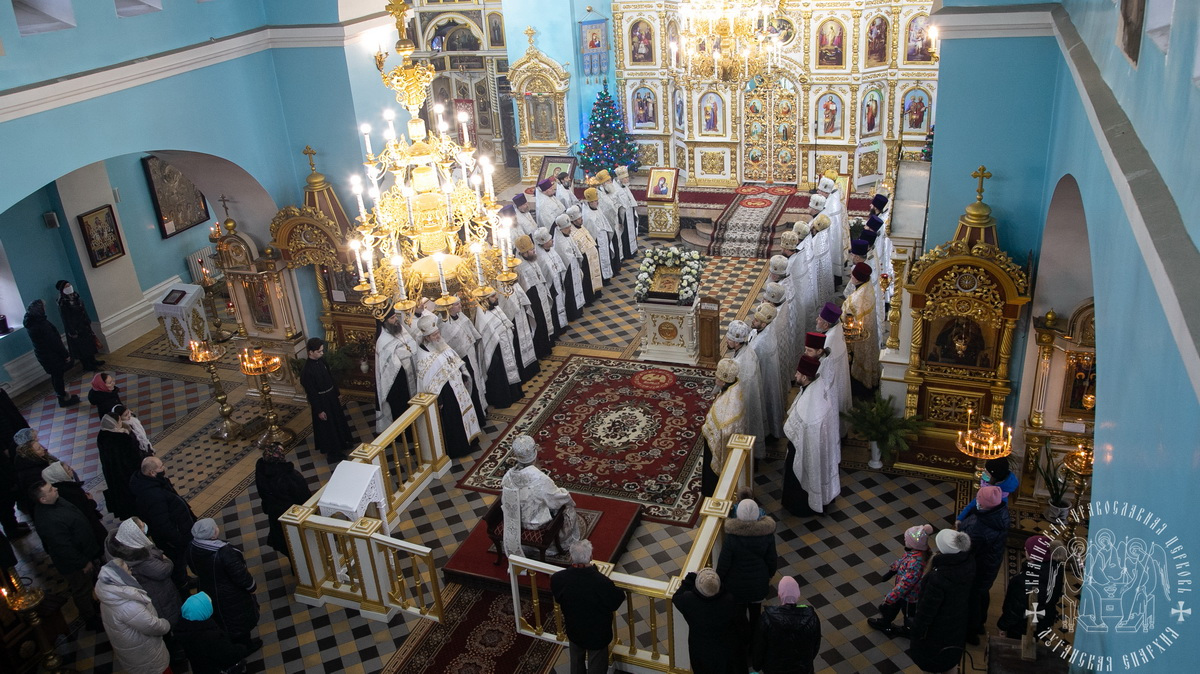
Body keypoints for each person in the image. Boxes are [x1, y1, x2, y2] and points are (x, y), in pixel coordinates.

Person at [30, 479, 103, 629]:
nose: (55, 489)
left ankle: (94, 604)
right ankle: (90, 618)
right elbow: (63, 548)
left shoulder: (56, 502)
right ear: (43, 499)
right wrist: (83, 562)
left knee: (89, 584)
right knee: (82, 590)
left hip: (84, 553)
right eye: (50, 490)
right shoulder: (48, 521)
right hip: (75, 564)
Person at [413, 314, 483, 458]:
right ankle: (459, 449)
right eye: (434, 335)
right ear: (427, 337)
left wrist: (463, 375)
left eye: (438, 333)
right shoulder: (424, 357)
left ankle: (471, 441)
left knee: (465, 414)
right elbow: (427, 383)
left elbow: (454, 360)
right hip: (446, 395)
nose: (438, 336)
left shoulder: (442, 345)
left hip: (458, 387)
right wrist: (439, 400)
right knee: (454, 420)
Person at [499, 434, 581, 557]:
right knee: (568, 509)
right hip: (536, 525)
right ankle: (559, 545)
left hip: (516, 521)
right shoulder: (540, 478)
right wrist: (565, 495)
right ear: (535, 454)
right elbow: (558, 499)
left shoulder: (508, 476)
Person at [551, 539, 626, 674]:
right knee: (596, 667)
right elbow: (616, 600)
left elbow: (558, 597)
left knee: (576, 664)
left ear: (571, 557)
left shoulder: (558, 578)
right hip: (597, 634)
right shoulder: (601, 582)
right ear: (591, 557)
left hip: (574, 629)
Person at [908, 530, 975, 674]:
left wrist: (916, 632)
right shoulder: (968, 562)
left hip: (936, 633)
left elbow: (926, 611)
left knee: (931, 664)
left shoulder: (938, 578)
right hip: (957, 625)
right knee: (949, 662)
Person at [782, 355, 840, 516]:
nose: (795, 375)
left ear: (805, 377)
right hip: (806, 443)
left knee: (799, 479)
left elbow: (804, 424)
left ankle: (802, 507)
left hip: (805, 447)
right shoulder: (813, 386)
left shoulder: (812, 400)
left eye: (798, 373)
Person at [95, 555, 172, 674]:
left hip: (132, 654)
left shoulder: (108, 594)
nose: (131, 571)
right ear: (120, 577)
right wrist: (166, 624)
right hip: (147, 656)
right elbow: (151, 625)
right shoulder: (127, 603)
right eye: (128, 569)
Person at [187, 518, 259, 646]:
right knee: (237, 619)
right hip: (231, 593)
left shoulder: (192, 547)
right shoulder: (225, 552)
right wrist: (251, 586)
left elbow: (194, 570)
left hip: (207, 589)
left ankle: (233, 641)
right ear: (213, 533)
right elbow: (240, 575)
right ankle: (245, 646)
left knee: (222, 619)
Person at [130, 456, 197, 591]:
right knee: (177, 562)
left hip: (174, 533)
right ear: (152, 472)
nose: (164, 468)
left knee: (179, 562)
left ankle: (184, 579)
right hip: (172, 539)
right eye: (161, 467)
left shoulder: (150, 483)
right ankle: (182, 586)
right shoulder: (153, 495)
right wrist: (178, 539)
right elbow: (162, 523)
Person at [717, 498, 777, 641]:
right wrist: (768, 575)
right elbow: (772, 560)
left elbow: (724, 564)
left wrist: (720, 581)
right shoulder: (767, 535)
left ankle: (744, 641)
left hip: (736, 585)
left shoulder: (732, 537)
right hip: (758, 584)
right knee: (756, 614)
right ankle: (756, 640)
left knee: (739, 616)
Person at [959, 484, 1010, 644]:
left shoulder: (977, 528)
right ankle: (980, 623)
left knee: (972, 599)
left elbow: (966, 549)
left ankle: (971, 633)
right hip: (990, 564)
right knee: (982, 592)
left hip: (977, 567)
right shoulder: (1001, 512)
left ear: (983, 503)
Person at [869, 524, 934, 637]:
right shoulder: (916, 552)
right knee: (894, 607)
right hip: (904, 594)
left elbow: (905, 584)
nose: (904, 540)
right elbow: (902, 561)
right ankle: (885, 622)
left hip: (910, 596)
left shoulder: (916, 563)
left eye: (906, 539)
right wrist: (893, 570)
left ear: (914, 544)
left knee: (908, 614)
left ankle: (908, 630)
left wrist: (890, 598)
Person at [673, 568, 743, 674]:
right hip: (724, 650)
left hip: (700, 651)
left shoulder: (689, 601)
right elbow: (741, 624)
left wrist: (691, 578)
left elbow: (676, 597)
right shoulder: (728, 600)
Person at [174, 592, 262, 674]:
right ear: (203, 611)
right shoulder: (210, 636)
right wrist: (241, 649)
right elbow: (229, 654)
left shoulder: (185, 631)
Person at [997, 535, 1066, 639]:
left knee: (1015, 643)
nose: (1025, 549)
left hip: (1021, 625)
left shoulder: (1022, 582)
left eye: (1027, 549)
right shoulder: (1057, 569)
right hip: (1043, 621)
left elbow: (1013, 610)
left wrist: (1002, 626)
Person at [300, 337, 356, 461]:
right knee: (329, 427)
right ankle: (333, 452)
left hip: (331, 397)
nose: (322, 353)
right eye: (319, 351)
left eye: (322, 350)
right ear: (310, 352)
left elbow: (330, 377)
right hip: (322, 401)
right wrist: (319, 410)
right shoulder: (307, 372)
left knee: (338, 420)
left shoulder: (322, 361)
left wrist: (336, 393)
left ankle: (343, 442)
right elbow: (311, 393)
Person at [752, 576, 821, 674]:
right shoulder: (811, 618)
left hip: (774, 669)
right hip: (802, 669)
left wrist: (757, 665)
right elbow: (815, 646)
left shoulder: (767, 618)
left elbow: (760, 646)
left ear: (779, 595)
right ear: (798, 595)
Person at [255, 442, 312, 558]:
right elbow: (302, 495)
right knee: (299, 542)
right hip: (293, 513)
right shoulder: (289, 476)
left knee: (285, 542)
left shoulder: (261, 470)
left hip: (275, 513)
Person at [23, 299, 80, 407]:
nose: (45, 309)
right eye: (44, 307)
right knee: (58, 376)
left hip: (43, 354)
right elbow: (54, 342)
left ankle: (61, 395)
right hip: (51, 355)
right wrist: (65, 355)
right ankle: (63, 398)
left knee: (55, 376)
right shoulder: (41, 324)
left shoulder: (30, 322)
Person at [701, 359, 745, 496]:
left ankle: (712, 492)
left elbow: (726, 428)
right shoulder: (733, 387)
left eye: (717, 377)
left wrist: (712, 432)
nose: (715, 378)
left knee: (712, 478)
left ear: (723, 381)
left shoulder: (732, 401)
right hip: (715, 437)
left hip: (719, 442)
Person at [474, 287, 523, 409]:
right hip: (496, 351)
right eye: (493, 296)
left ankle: (514, 393)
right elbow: (487, 338)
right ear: (485, 300)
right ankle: (504, 399)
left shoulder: (495, 308)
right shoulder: (482, 316)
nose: (496, 298)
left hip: (505, 345)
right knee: (500, 375)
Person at [439, 295, 488, 409]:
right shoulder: (444, 323)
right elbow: (448, 345)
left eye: (459, 303)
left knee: (476, 378)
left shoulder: (461, 315)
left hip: (471, 354)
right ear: (449, 307)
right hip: (461, 359)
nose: (460, 306)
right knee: (470, 383)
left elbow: (472, 332)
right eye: (457, 304)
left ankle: (482, 407)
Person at [374, 304, 417, 434]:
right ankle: (405, 435)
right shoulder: (382, 341)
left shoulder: (400, 329)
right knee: (402, 409)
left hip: (410, 374)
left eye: (395, 316)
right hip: (397, 382)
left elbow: (411, 345)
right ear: (384, 321)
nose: (396, 319)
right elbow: (389, 368)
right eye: (392, 318)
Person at [41, 460, 106, 546]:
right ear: (61, 475)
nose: (71, 469)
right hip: (89, 527)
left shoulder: (63, 488)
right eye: (68, 469)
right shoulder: (69, 492)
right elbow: (84, 511)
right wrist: (91, 501)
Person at [98, 404, 145, 520]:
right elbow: (132, 456)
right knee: (132, 495)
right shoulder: (121, 438)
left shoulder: (101, 435)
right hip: (127, 472)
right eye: (119, 420)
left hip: (113, 473)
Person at [514, 234, 559, 354]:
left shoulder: (532, 259)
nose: (534, 251)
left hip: (541, 292)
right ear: (524, 252)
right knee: (539, 322)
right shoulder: (520, 267)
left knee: (545, 319)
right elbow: (525, 286)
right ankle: (541, 350)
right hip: (533, 299)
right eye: (531, 250)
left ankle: (549, 342)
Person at [726, 320, 764, 457]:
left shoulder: (739, 363)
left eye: (729, 339)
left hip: (742, 404)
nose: (726, 340)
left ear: (737, 343)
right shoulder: (748, 350)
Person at [748, 302, 785, 439]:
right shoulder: (766, 329)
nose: (753, 321)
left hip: (763, 376)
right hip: (766, 371)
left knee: (763, 401)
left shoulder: (761, 344)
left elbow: (751, 361)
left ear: (764, 324)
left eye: (756, 320)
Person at [842, 262, 881, 391]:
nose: (850, 277)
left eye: (853, 275)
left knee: (859, 357)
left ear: (858, 279)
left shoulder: (856, 300)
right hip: (870, 330)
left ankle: (861, 388)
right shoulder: (868, 286)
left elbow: (847, 316)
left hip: (860, 335)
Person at [814, 302, 851, 430]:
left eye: (819, 319)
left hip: (831, 383)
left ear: (826, 325)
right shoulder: (837, 328)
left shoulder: (828, 341)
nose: (816, 320)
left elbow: (821, 367)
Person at [56, 279, 104, 372]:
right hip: (76, 328)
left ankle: (93, 360)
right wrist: (72, 331)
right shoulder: (63, 302)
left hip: (84, 325)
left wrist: (87, 319)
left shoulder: (75, 296)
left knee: (89, 344)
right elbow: (66, 318)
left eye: (69, 285)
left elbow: (83, 309)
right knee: (82, 348)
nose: (69, 287)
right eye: (66, 286)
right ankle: (87, 365)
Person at [536, 226, 583, 321]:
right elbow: (545, 274)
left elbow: (560, 264)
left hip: (559, 281)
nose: (552, 240)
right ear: (544, 242)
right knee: (555, 306)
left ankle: (564, 322)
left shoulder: (552, 250)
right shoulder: (541, 258)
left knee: (561, 300)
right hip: (552, 286)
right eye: (549, 240)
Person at [956, 457, 1019, 522]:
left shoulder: (996, 498)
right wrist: (960, 518)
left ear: (994, 477)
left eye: (986, 471)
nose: (984, 472)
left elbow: (975, 504)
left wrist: (961, 519)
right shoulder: (996, 485)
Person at [12, 428, 58, 516]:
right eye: (39, 448)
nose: (43, 449)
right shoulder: (32, 472)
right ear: (32, 453)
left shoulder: (35, 460)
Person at [580, 189, 615, 284]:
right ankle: (602, 279)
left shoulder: (598, 209)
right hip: (597, 241)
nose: (597, 203)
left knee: (606, 257)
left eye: (597, 200)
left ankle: (607, 276)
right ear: (590, 202)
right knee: (599, 260)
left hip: (604, 238)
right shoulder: (587, 215)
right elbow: (589, 231)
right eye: (595, 201)